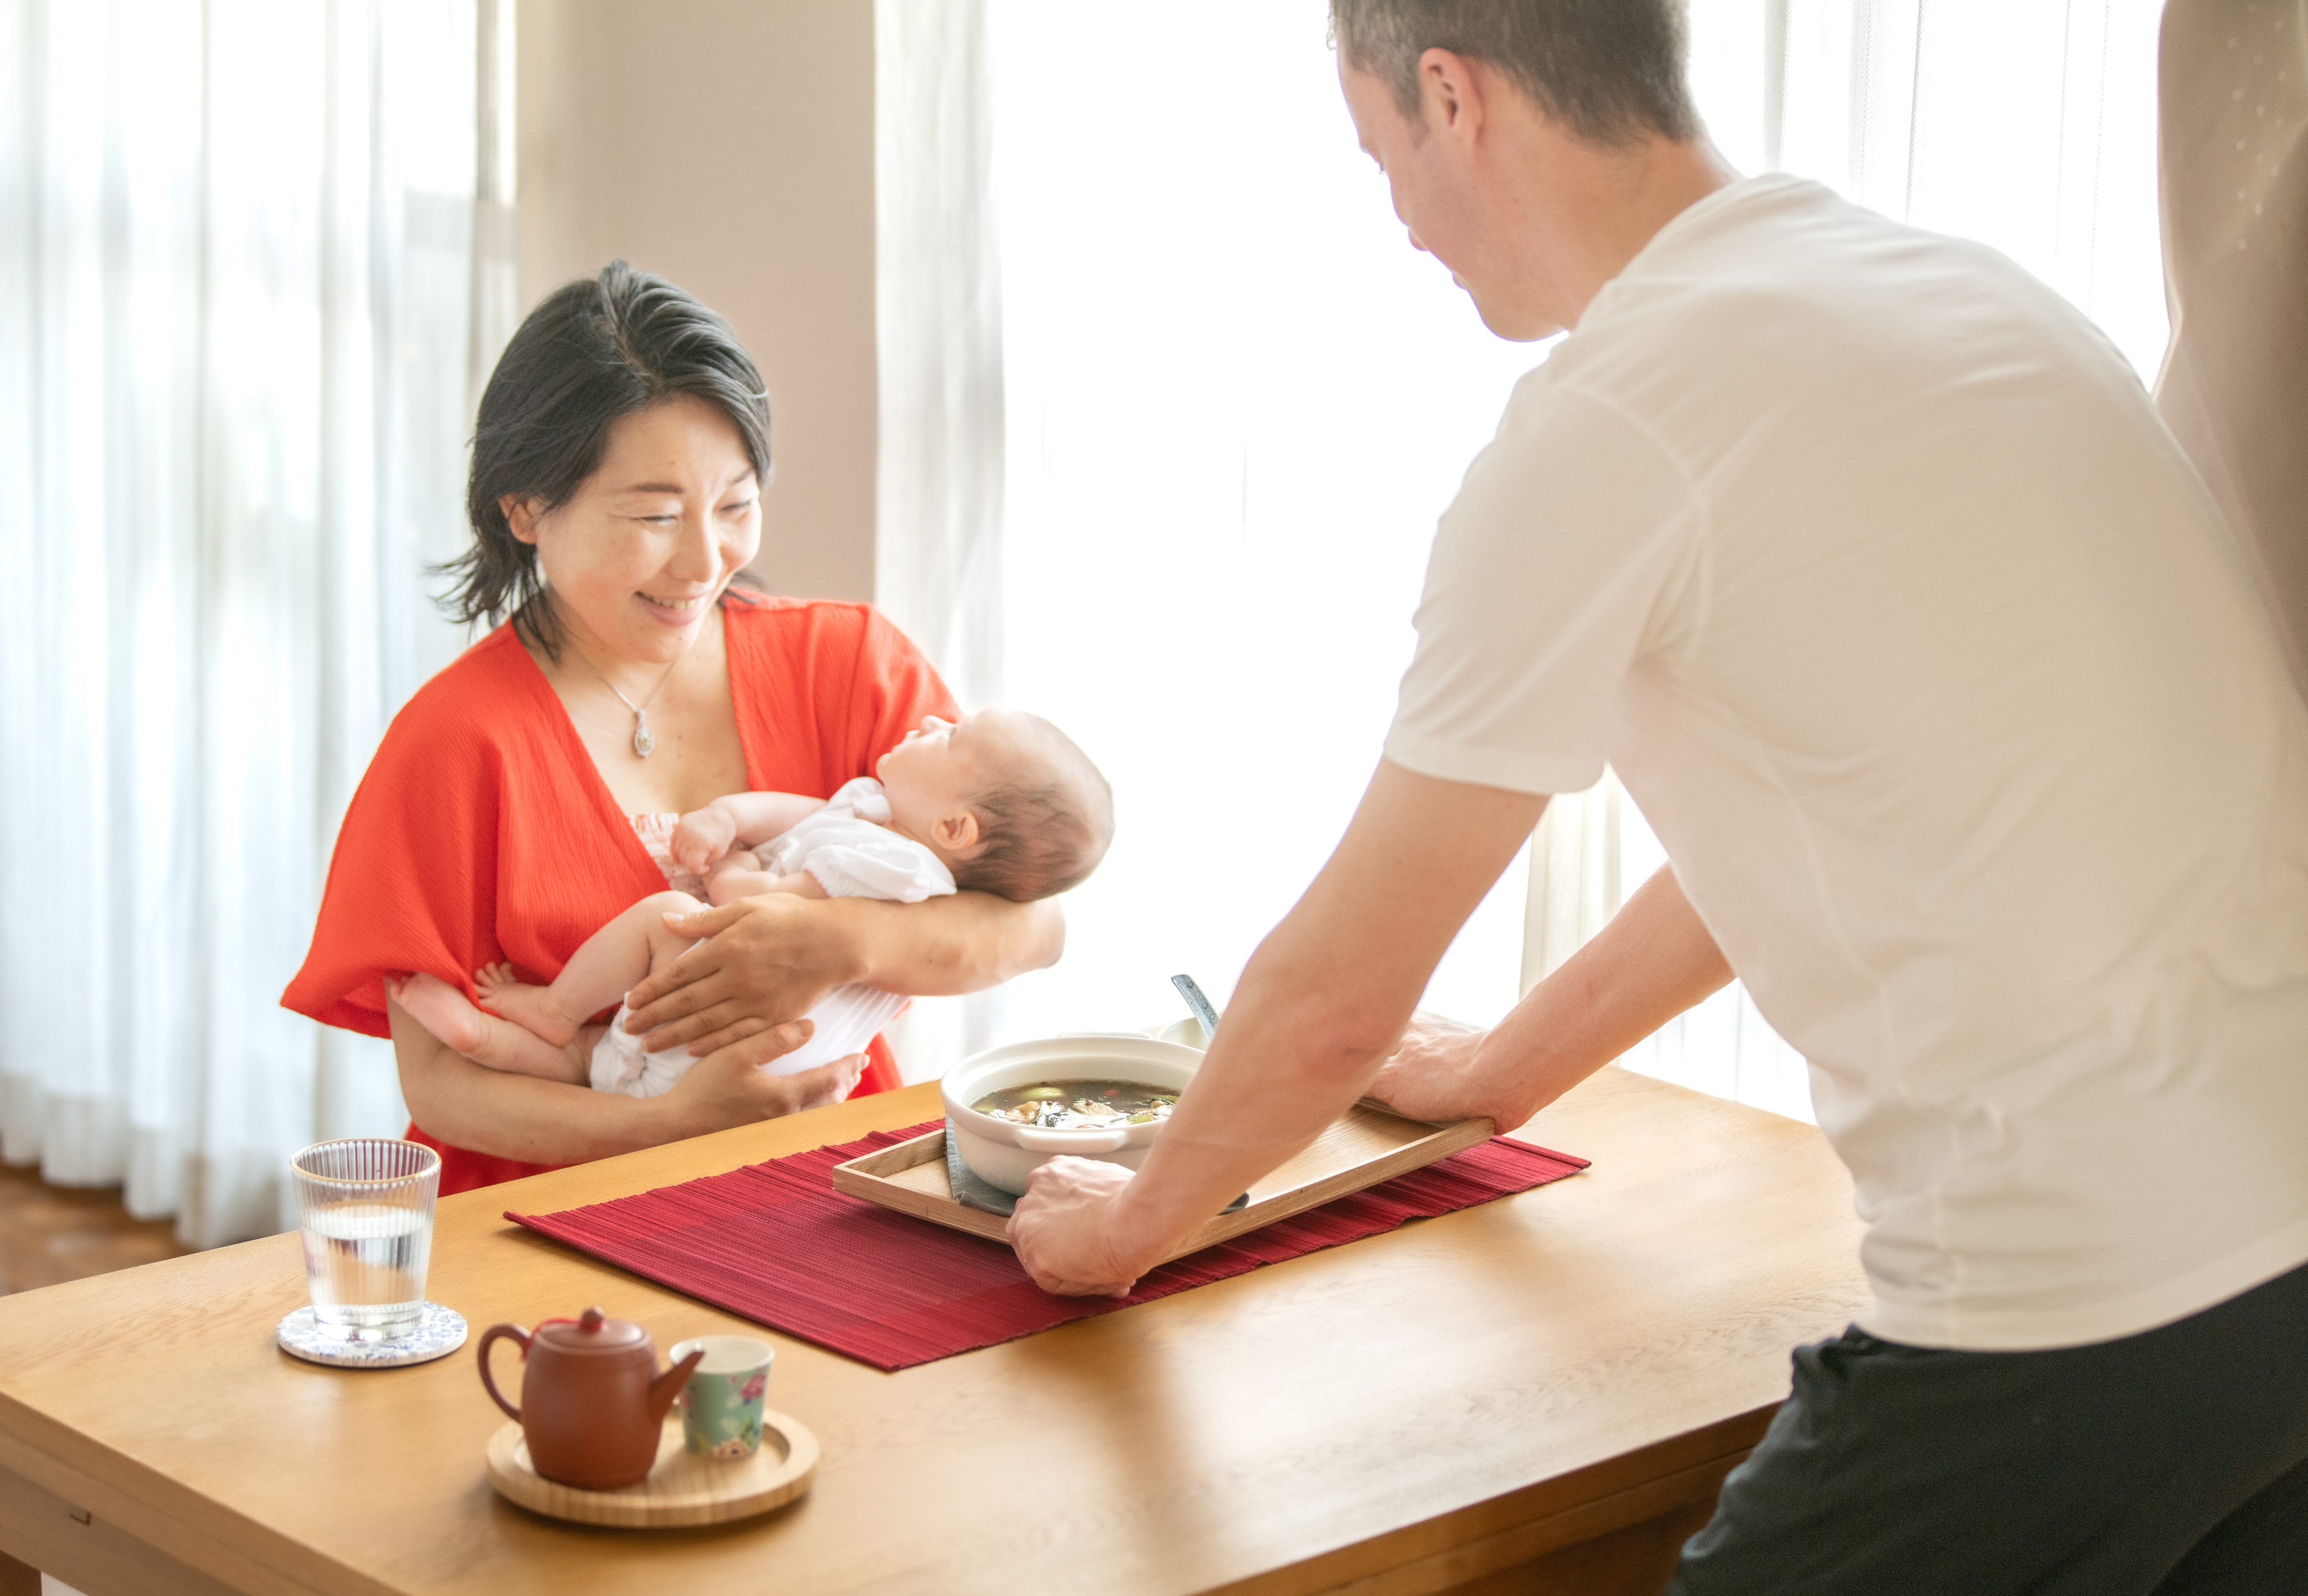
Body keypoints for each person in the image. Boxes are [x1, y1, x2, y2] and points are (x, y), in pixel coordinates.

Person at [1005, 3, 2308, 1591]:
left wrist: (1132, 1218)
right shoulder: (1959, 289)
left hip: (2071, 1304)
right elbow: (1841, 819)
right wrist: (1503, 1069)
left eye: (1377, 155)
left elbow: (1338, 998)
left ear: (1450, 94)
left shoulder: (1613, 420)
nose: (1397, 220)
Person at [283, 261, 1066, 1195]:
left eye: (735, 505)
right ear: (525, 507)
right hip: (550, 1213)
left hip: (827, 1187)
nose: (705, 561)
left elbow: (1033, 923)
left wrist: (838, 941)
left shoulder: (848, 661)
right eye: (654, 515)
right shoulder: (454, 743)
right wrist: (664, 1127)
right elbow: (442, 1083)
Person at [389, 707, 1112, 1097]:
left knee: (655, 924)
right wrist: (731, 816)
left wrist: (730, 864)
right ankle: (483, 1042)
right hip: (697, 1052)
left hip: (733, 1053)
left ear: (956, 828)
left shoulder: (896, 864)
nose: (929, 719)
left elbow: (770, 909)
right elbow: (795, 814)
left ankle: (550, 1010)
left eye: (949, 734)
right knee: (594, 1069)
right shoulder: (878, 809)